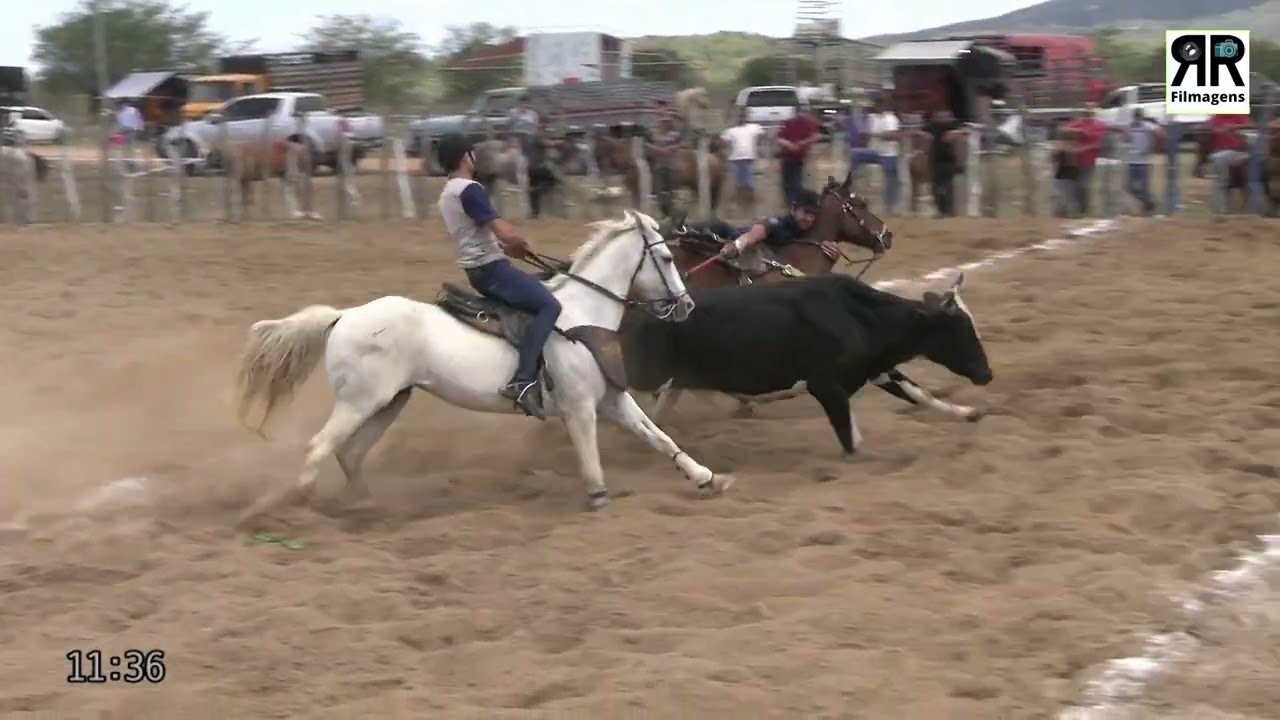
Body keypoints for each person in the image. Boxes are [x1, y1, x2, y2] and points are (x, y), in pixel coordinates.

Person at [436, 133, 561, 419]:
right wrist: (516, 241)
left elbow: (475, 232)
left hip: (480, 267)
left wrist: (509, 248)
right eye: (472, 154)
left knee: (544, 283)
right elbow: (499, 228)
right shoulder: (470, 189)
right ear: (466, 157)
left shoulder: (448, 192)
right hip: (491, 270)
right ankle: (523, 380)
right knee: (550, 305)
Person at [709, 189, 838, 271]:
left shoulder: (809, 231)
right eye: (806, 212)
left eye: (814, 215)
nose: (809, 218)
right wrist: (737, 245)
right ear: (794, 209)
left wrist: (833, 253)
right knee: (717, 226)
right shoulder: (779, 224)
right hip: (738, 236)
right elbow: (756, 233)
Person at [1061, 104, 1107, 214]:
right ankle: (1076, 207)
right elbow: (1063, 129)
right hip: (1075, 161)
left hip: (1089, 161)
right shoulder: (1079, 123)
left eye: (1089, 114)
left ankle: (1083, 209)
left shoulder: (1099, 126)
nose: (1087, 116)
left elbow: (1098, 145)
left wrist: (1082, 148)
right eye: (1085, 114)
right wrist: (1077, 131)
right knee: (1073, 185)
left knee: (1083, 185)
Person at [777, 105, 822, 205]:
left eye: (803, 113)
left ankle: (797, 203)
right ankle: (790, 203)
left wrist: (803, 143)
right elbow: (779, 138)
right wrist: (788, 144)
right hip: (787, 156)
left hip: (802, 158)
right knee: (787, 183)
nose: (800, 115)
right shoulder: (788, 123)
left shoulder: (809, 123)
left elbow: (817, 136)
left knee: (798, 182)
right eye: (799, 113)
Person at [1206, 112, 1251, 213]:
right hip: (1221, 152)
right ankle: (1223, 208)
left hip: (1239, 152)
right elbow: (1209, 129)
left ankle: (1247, 206)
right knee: (1219, 161)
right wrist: (1221, 130)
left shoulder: (1239, 116)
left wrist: (1234, 127)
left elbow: (1250, 126)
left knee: (1248, 163)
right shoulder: (1216, 118)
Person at [1122, 108, 1163, 215]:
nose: (1137, 119)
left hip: (1144, 162)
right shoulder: (1131, 126)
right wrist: (1126, 134)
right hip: (1132, 160)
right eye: (1136, 117)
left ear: (1141, 117)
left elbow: (1161, 134)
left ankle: (1146, 208)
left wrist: (1152, 147)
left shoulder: (1147, 125)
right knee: (1128, 186)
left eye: (1138, 117)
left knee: (1144, 187)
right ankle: (1149, 202)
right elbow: (1126, 139)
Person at [720, 110, 763, 208]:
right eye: (740, 116)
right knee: (738, 182)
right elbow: (723, 142)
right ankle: (739, 203)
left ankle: (750, 203)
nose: (742, 118)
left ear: (747, 117)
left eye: (743, 115)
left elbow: (762, 136)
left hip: (749, 157)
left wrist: (758, 146)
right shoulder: (731, 130)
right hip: (735, 159)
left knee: (749, 181)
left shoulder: (754, 127)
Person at [864, 98, 900, 212]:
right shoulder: (872, 118)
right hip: (874, 151)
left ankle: (891, 205)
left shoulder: (891, 118)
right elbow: (866, 134)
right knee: (856, 157)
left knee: (891, 180)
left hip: (889, 153)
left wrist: (876, 134)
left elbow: (892, 135)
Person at [926, 110, 963, 217]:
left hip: (949, 161)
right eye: (940, 117)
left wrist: (955, 133)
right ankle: (941, 211)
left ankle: (949, 210)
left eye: (945, 117)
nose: (943, 119)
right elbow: (921, 132)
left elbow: (965, 131)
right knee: (936, 188)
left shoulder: (953, 127)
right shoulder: (932, 128)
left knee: (948, 187)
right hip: (935, 161)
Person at [647, 114, 682, 217]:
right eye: (663, 122)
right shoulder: (654, 135)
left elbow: (683, 144)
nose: (664, 124)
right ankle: (665, 213)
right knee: (659, 192)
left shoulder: (675, 135)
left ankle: (671, 213)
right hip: (659, 167)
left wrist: (671, 148)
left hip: (672, 166)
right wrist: (657, 149)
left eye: (667, 122)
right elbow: (646, 144)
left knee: (671, 192)